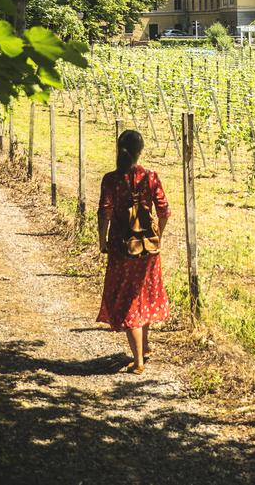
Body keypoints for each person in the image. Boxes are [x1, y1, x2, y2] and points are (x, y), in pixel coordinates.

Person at [96, 129, 171, 374]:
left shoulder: (111, 179)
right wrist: (157, 234)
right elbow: (164, 210)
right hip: (147, 247)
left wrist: (102, 239)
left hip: (121, 246)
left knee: (128, 301)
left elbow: (104, 211)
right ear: (140, 151)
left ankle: (138, 361)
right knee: (143, 296)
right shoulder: (150, 177)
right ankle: (145, 347)